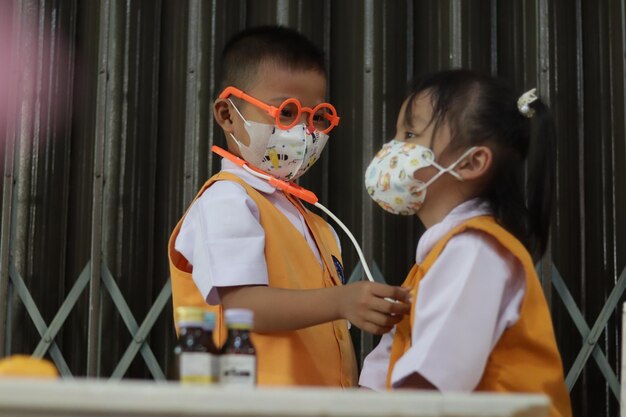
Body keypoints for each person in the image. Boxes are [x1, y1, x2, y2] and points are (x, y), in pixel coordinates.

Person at [168, 26, 410, 387]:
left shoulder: (318, 226)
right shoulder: (227, 200)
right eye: (286, 113)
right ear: (227, 114)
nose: (305, 132)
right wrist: (344, 301)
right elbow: (243, 306)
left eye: (317, 117)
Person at [359, 69, 571, 417]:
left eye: (410, 134)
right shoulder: (440, 257)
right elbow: (380, 381)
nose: (391, 149)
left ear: (472, 162)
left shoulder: (473, 252)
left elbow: (428, 387)